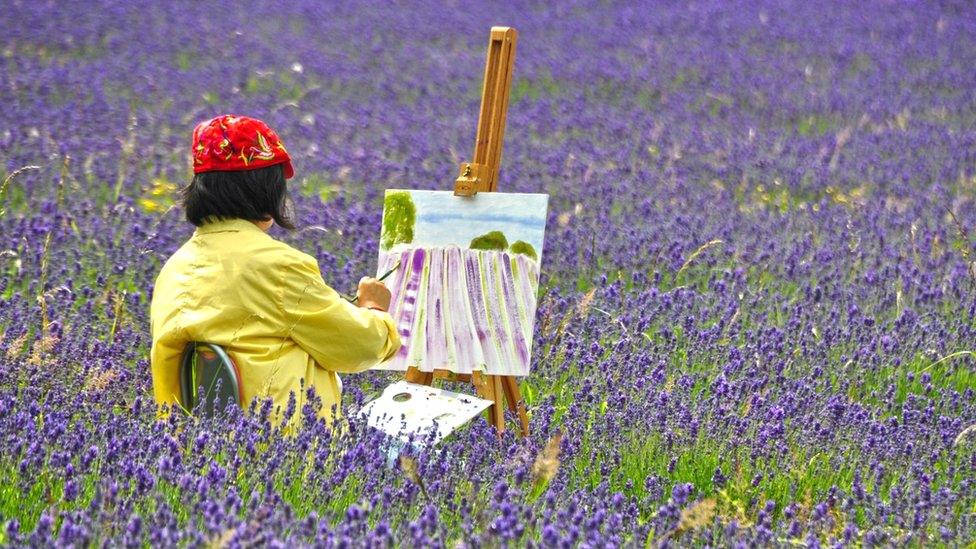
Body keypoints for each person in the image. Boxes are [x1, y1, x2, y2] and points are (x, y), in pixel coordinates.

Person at [150, 114, 400, 428]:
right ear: (264, 189)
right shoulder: (277, 265)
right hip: (280, 454)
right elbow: (358, 347)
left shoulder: (174, 269)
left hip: (195, 460)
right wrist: (373, 308)